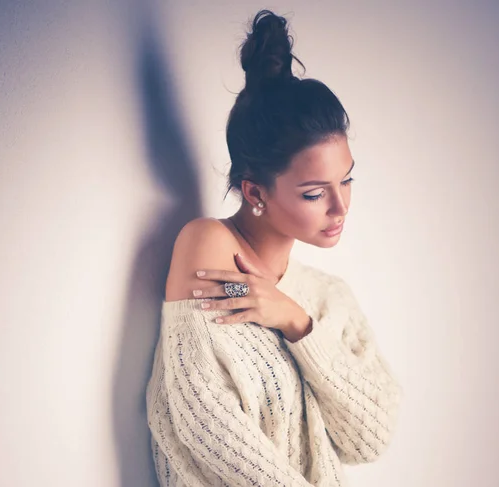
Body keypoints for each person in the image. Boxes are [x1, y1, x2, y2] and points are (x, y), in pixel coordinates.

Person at [146, 9, 403, 486]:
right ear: (255, 193)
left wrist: (297, 322)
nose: (339, 206)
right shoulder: (209, 245)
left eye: (346, 181)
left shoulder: (329, 298)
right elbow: (204, 422)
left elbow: (370, 439)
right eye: (314, 192)